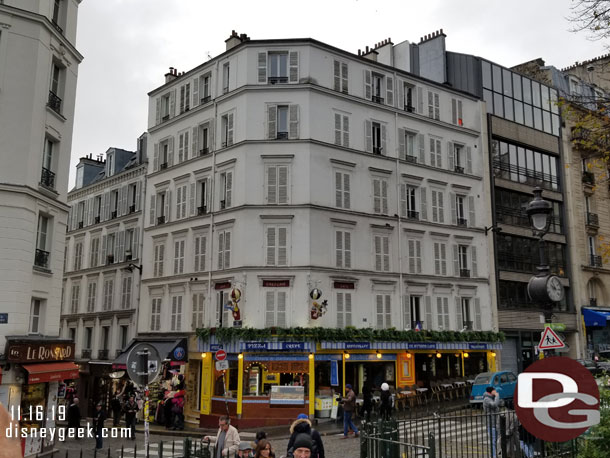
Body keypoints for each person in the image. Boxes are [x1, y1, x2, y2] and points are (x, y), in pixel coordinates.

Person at [483, 386, 501, 457]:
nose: (496, 392)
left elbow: (500, 404)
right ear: (491, 391)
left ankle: (497, 453)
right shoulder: (486, 399)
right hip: (491, 423)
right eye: (494, 390)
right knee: (493, 441)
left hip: (496, 423)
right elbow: (494, 405)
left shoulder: (492, 398)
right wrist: (497, 396)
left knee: (497, 440)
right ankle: (493, 456)